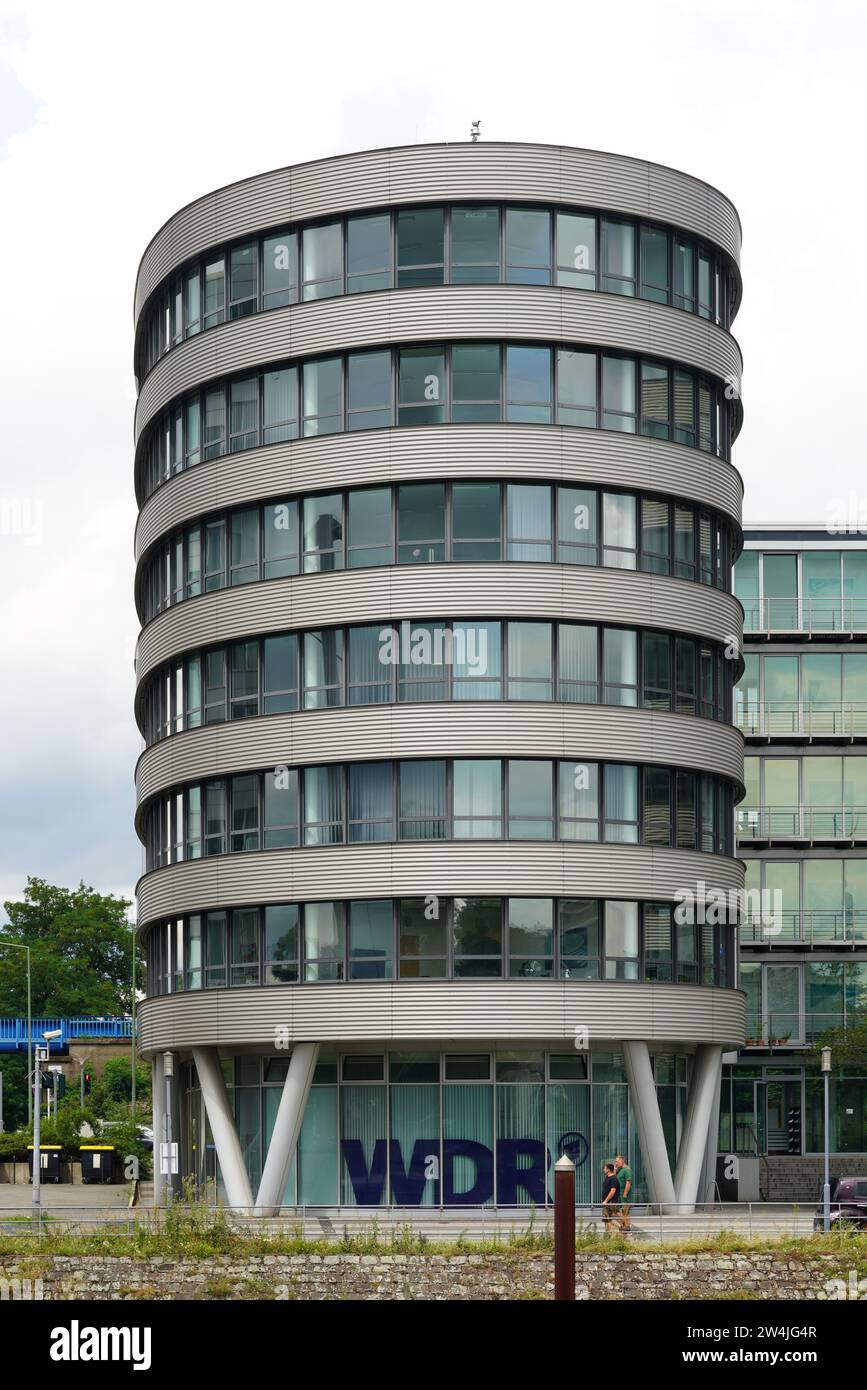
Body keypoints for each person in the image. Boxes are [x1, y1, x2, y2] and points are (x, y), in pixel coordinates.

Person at [614, 1154, 633, 1233]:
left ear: (622, 1161)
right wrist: (615, 1169)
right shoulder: (620, 1169)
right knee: (620, 1211)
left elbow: (628, 1182)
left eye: (617, 1161)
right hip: (620, 1194)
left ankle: (627, 1227)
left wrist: (625, 1194)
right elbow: (614, 1178)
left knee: (625, 1211)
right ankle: (626, 1226)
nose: (615, 1163)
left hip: (624, 1195)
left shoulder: (627, 1170)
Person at [600, 1162, 619, 1232]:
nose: (603, 1170)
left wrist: (606, 1200)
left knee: (608, 1219)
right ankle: (607, 1234)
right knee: (606, 1220)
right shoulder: (608, 1177)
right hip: (606, 1203)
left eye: (604, 1168)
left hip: (609, 1203)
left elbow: (613, 1191)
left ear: (608, 1170)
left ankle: (623, 1228)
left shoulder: (613, 1179)